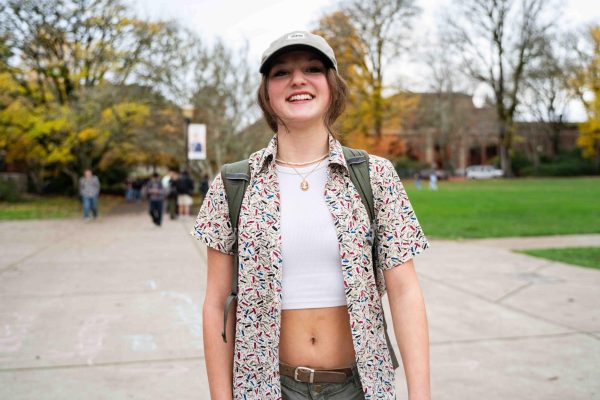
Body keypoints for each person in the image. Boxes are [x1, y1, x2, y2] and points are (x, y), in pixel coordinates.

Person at [192, 31, 431, 400]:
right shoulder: (233, 183)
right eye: (282, 72)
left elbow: (405, 292)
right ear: (266, 93)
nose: (298, 80)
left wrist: (421, 395)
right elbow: (216, 304)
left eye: (313, 69)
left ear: (332, 86)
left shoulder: (374, 175)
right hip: (267, 388)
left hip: (358, 387)